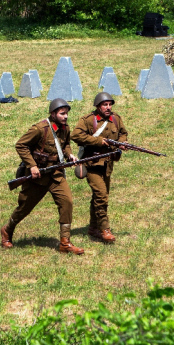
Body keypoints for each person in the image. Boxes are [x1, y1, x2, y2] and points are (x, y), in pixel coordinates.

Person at [0, 98, 84, 254]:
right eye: (62, 113)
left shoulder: (65, 128)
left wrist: (70, 155)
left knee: (67, 203)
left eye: (66, 114)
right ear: (53, 114)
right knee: (24, 207)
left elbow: (65, 144)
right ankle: (7, 230)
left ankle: (65, 242)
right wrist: (32, 166)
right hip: (38, 177)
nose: (65, 117)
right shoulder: (39, 128)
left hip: (56, 174)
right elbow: (21, 145)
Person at [70, 92, 128, 244]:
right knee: (102, 195)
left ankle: (93, 228)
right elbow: (75, 135)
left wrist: (121, 143)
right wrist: (98, 142)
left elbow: (123, 133)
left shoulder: (116, 119)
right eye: (105, 105)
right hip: (92, 164)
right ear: (98, 106)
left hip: (108, 164)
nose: (108, 107)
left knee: (99, 196)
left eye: (110, 104)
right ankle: (105, 229)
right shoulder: (88, 120)